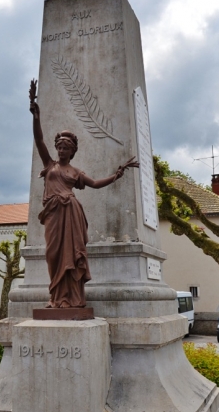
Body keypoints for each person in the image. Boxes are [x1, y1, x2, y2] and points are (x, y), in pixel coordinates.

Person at [30, 81, 138, 308]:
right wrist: (35, 115)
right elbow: (39, 140)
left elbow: (96, 184)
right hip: (53, 215)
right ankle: (55, 297)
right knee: (52, 254)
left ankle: (69, 299)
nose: (60, 150)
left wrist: (117, 175)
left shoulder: (75, 172)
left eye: (65, 147)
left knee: (70, 255)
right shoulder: (49, 165)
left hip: (71, 213)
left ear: (72, 151)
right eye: (59, 146)